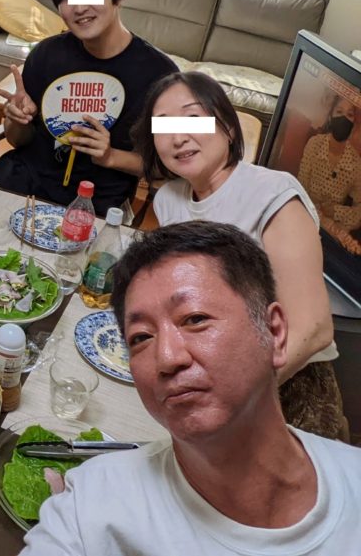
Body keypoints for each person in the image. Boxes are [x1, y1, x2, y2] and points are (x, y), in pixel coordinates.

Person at [23, 222, 361, 555]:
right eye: (141, 337)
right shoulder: (90, 507)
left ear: (274, 333)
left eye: (195, 319)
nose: (167, 358)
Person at [132, 71, 347, 440]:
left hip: (287, 382)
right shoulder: (169, 201)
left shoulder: (273, 193)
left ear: (228, 128)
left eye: (193, 119)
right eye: (163, 127)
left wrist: (236, 399)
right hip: (203, 365)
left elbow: (314, 328)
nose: (178, 137)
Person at [0, 0, 177, 215]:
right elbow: (19, 140)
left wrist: (111, 156)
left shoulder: (160, 75)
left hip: (95, 204)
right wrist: (17, 120)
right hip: (22, 185)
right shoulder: (46, 55)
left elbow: (171, 164)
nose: (78, 7)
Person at [298, 95, 361, 253]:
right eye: (339, 111)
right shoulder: (315, 144)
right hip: (304, 218)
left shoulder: (356, 163)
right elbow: (301, 188)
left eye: (349, 114)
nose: (344, 118)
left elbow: (359, 212)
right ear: (331, 115)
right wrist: (322, 219)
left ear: (354, 123)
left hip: (334, 238)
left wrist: (336, 212)